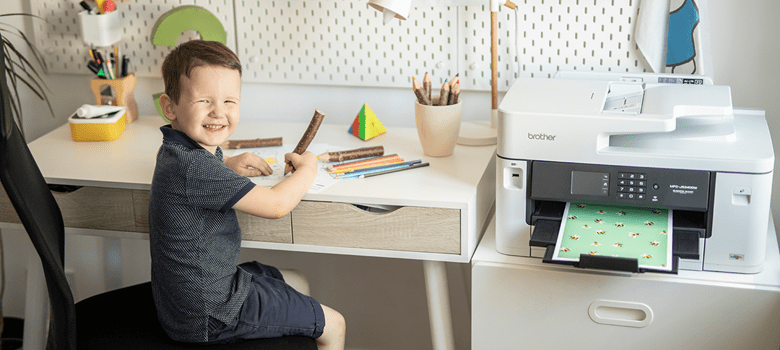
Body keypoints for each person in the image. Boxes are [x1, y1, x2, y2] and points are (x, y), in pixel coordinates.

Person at [149, 39, 345, 349]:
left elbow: (198, 175)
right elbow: (277, 205)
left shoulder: (178, 150)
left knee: (297, 280)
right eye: (204, 101)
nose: (218, 113)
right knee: (334, 324)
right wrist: (309, 169)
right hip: (210, 312)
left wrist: (226, 162)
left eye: (229, 101)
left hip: (188, 302)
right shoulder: (197, 169)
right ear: (170, 106)